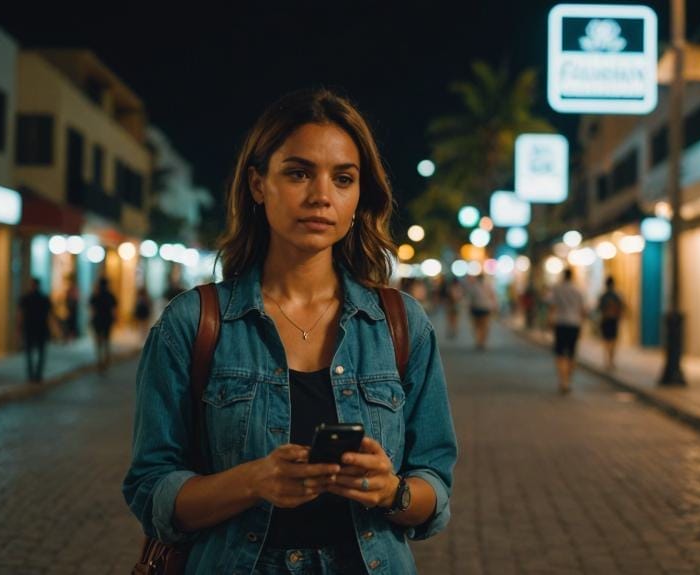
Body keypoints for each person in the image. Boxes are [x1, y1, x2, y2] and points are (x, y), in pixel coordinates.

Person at [123, 88, 458, 574]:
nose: (322, 195)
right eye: (299, 173)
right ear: (258, 184)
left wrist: (391, 490)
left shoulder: (400, 325)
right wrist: (254, 481)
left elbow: (434, 490)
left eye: (343, 178)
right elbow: (151, 492)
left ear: (359, 194)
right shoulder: (194, 323)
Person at [549, 269, 586, 394]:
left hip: (560, 323)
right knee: (572, 353)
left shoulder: (557, 289)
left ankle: (562, 380)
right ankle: (568, 379)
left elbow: (552, 306)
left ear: (563, 276)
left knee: (560, 353)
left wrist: (550, 321)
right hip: (574, 324)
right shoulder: (578, 290)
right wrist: (582, 325)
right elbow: (582, 309)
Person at [18, 278, 52, 383]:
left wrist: (19, 326)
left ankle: (33, 375)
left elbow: (20, 314)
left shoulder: (29, 298)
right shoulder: (41, 298)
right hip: (37, 328)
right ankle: (36, 375)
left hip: (33, 328)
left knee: (32, 353)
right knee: (37, 353)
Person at [89, 277, 118, 373]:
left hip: (97, 320)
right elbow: (114, 310)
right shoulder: (110, 295)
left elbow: (92, 309)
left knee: (98, 341)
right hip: (107, 320)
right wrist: (114, 318)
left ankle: (99, 360)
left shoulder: (95, 295)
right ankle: (106, 359)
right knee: (106, 340)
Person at [597, 276, 626, 369]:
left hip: (605, 320)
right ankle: (611, 360)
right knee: (613, 340)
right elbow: (622, 307)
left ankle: (608, 361)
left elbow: (599, 308)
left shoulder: (603, 296)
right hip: (614, 320)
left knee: (606, 340)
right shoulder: (617, 295)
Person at [467, 275, 497, 350]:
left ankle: (479, 341)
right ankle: (482, 341)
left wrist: (469, 308)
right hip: (485, 308)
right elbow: (493, 297)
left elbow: (470, 299)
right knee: (484, 326)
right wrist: (494, 306)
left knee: (477, 326)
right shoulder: (488, 286)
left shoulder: (473, 287)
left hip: (476, 308)